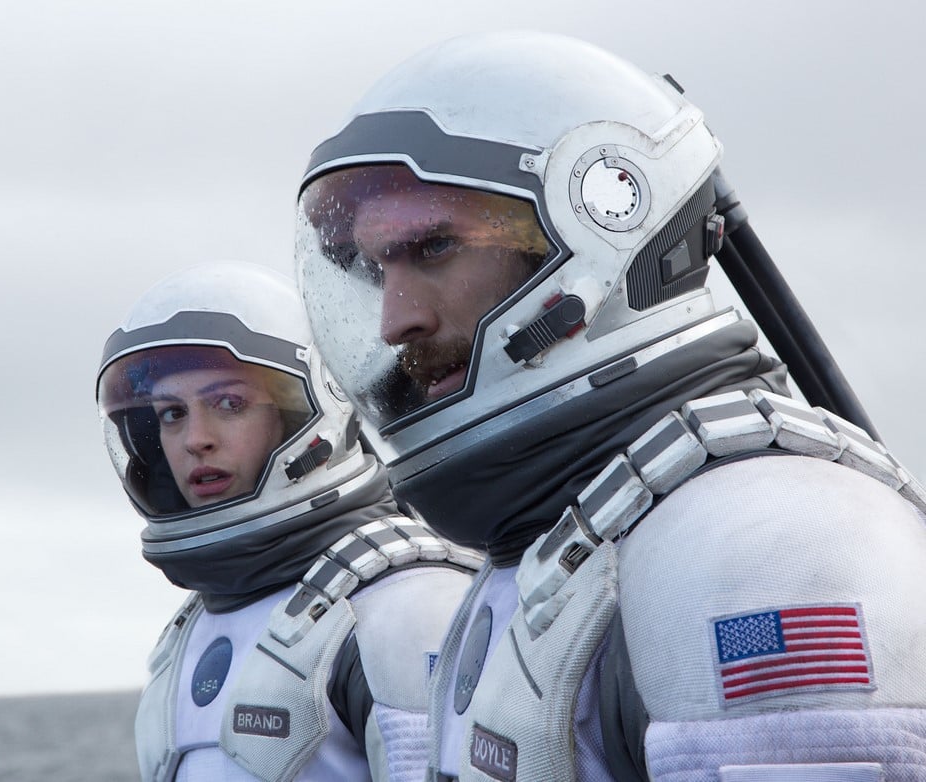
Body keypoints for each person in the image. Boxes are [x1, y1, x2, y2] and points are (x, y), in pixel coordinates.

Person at [294, 32, 926, 782]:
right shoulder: (560, 545)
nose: (394, 320)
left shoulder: (760, 544)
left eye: (434, 248)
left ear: (601, 227)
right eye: (377, 269)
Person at [95, 261, 479, 782]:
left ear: (307, 412)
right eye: (171, 413)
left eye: (228, 403)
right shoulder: (190, 629)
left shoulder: (400, 611)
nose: (195, 439)